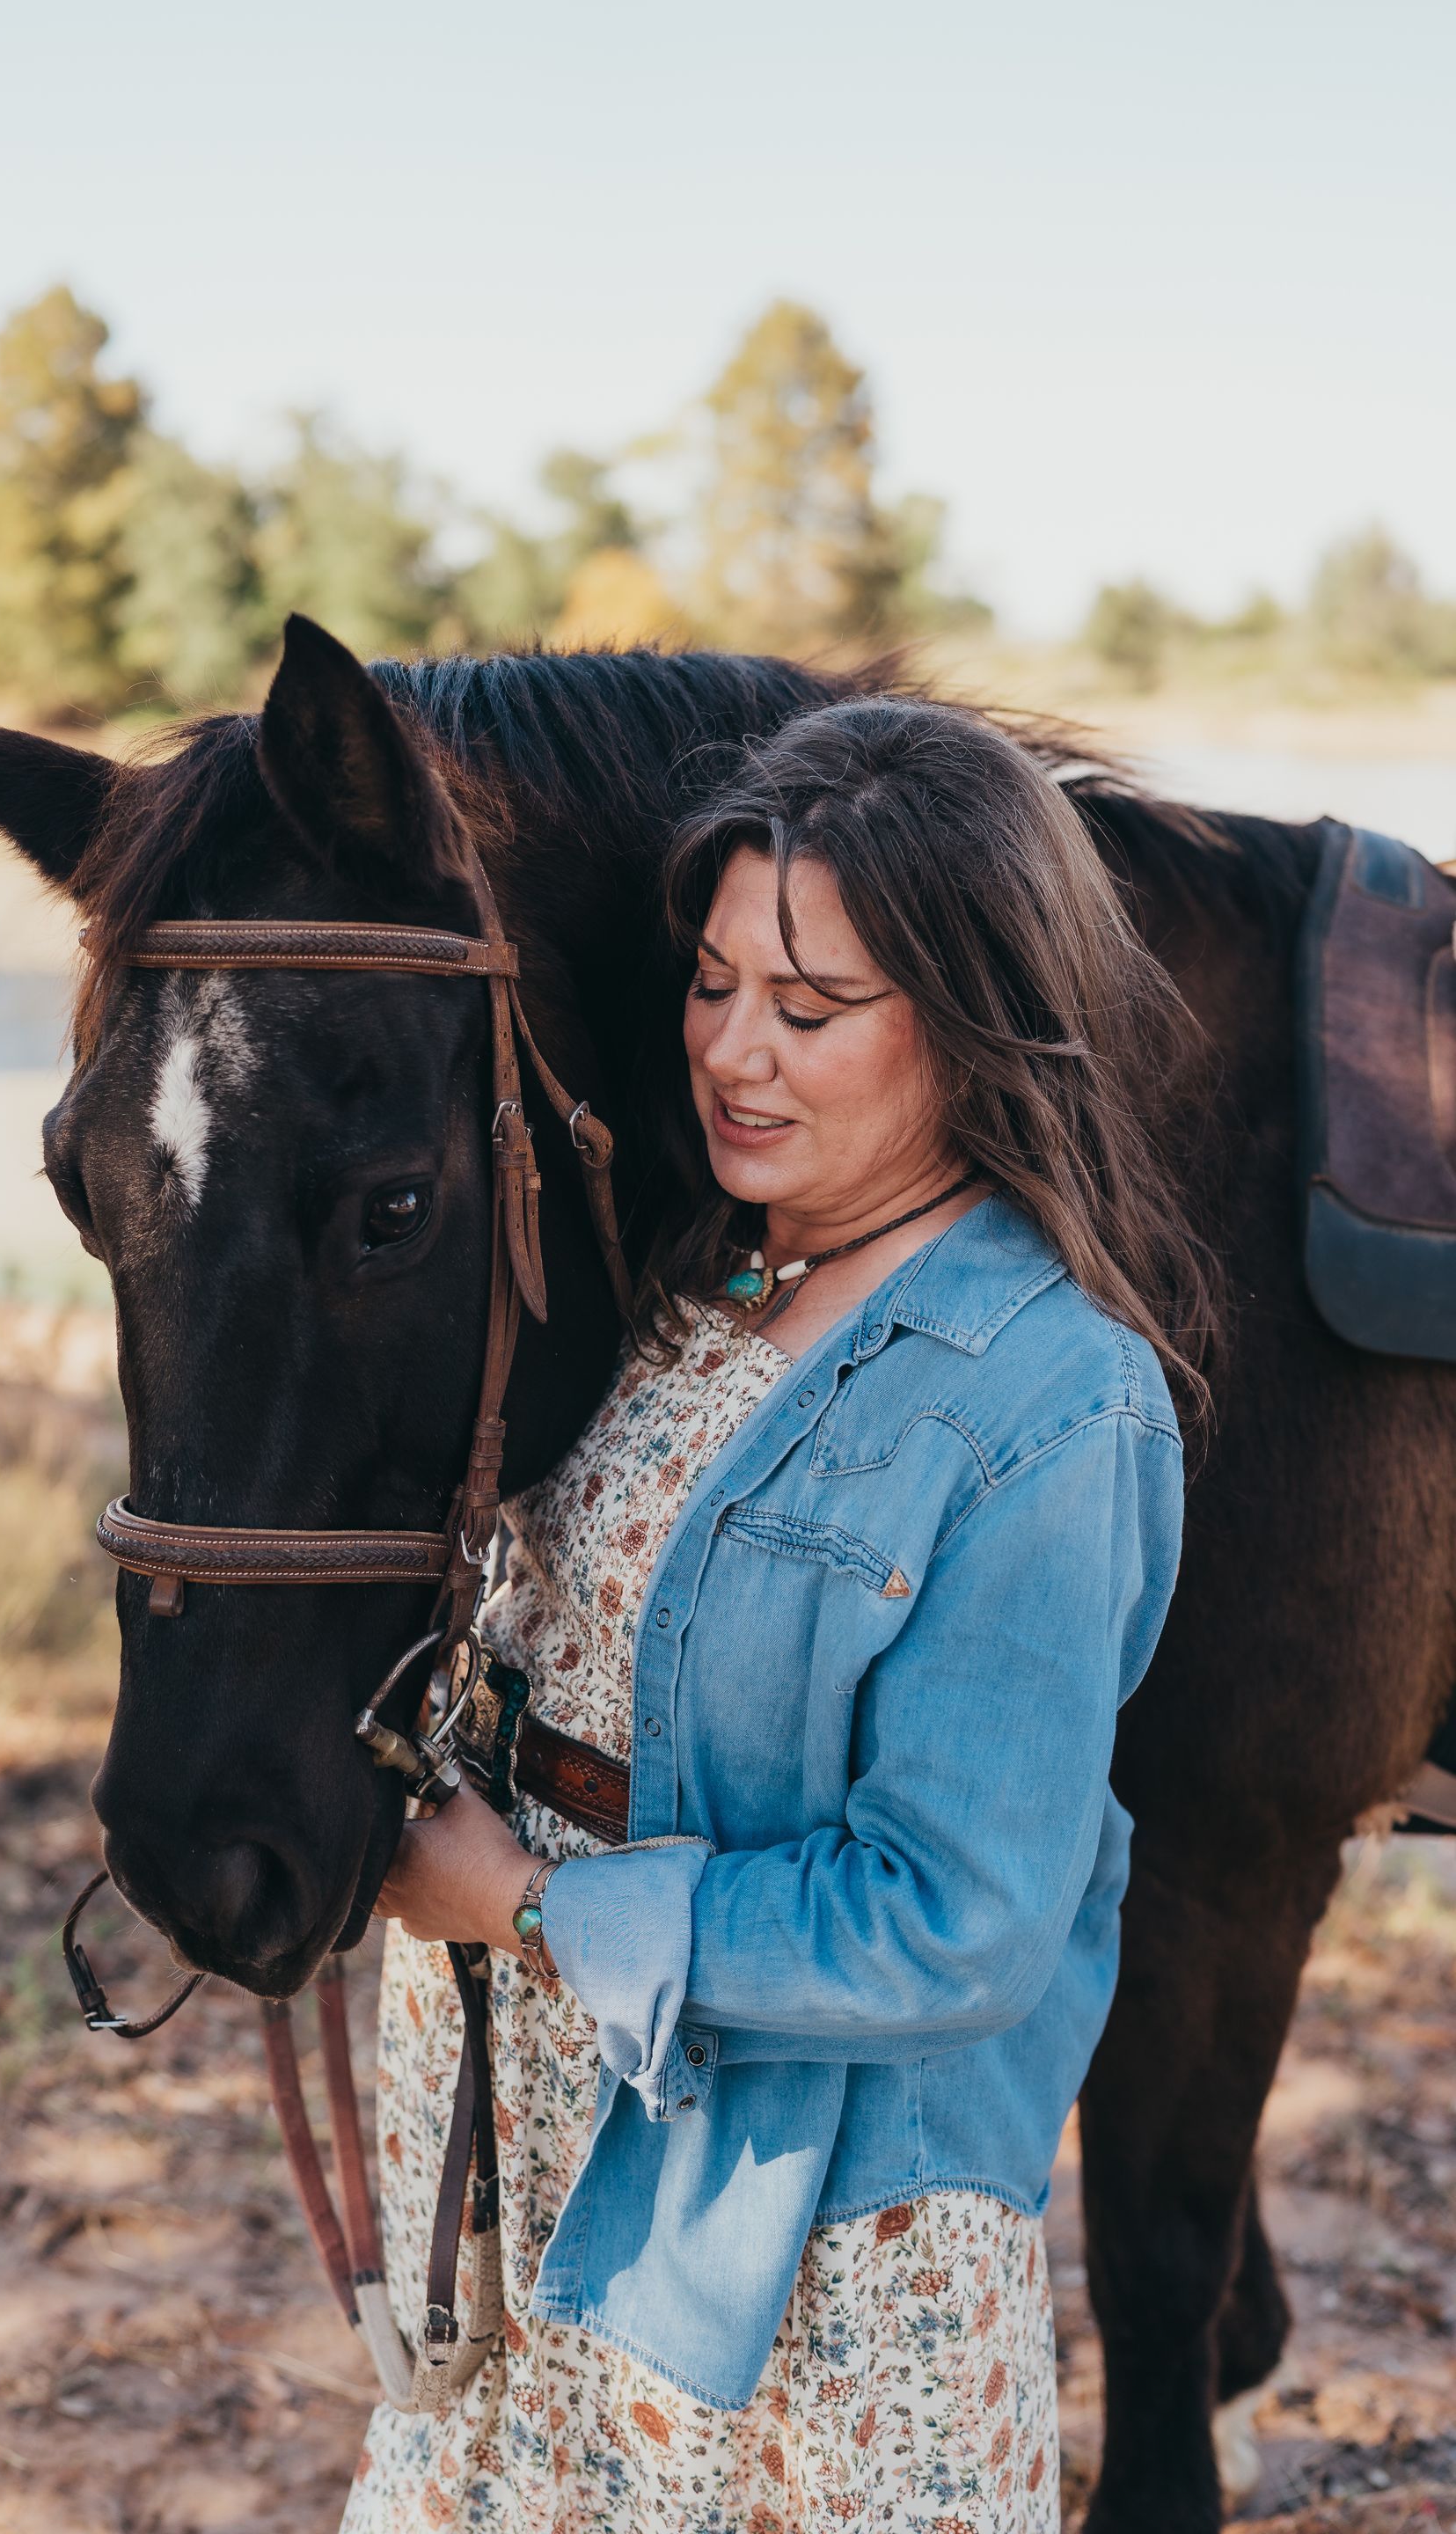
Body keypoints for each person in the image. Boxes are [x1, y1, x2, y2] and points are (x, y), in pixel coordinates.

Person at [343, 695, 1211, 2533]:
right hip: (526, 2140)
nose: (734, 1053)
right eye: (715, 983)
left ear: (977, 1025)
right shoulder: (693, 1277)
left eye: (809, 1012)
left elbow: (958, 1923)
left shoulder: (1053, 1403)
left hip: (799, 2251)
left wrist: (529, 1907)